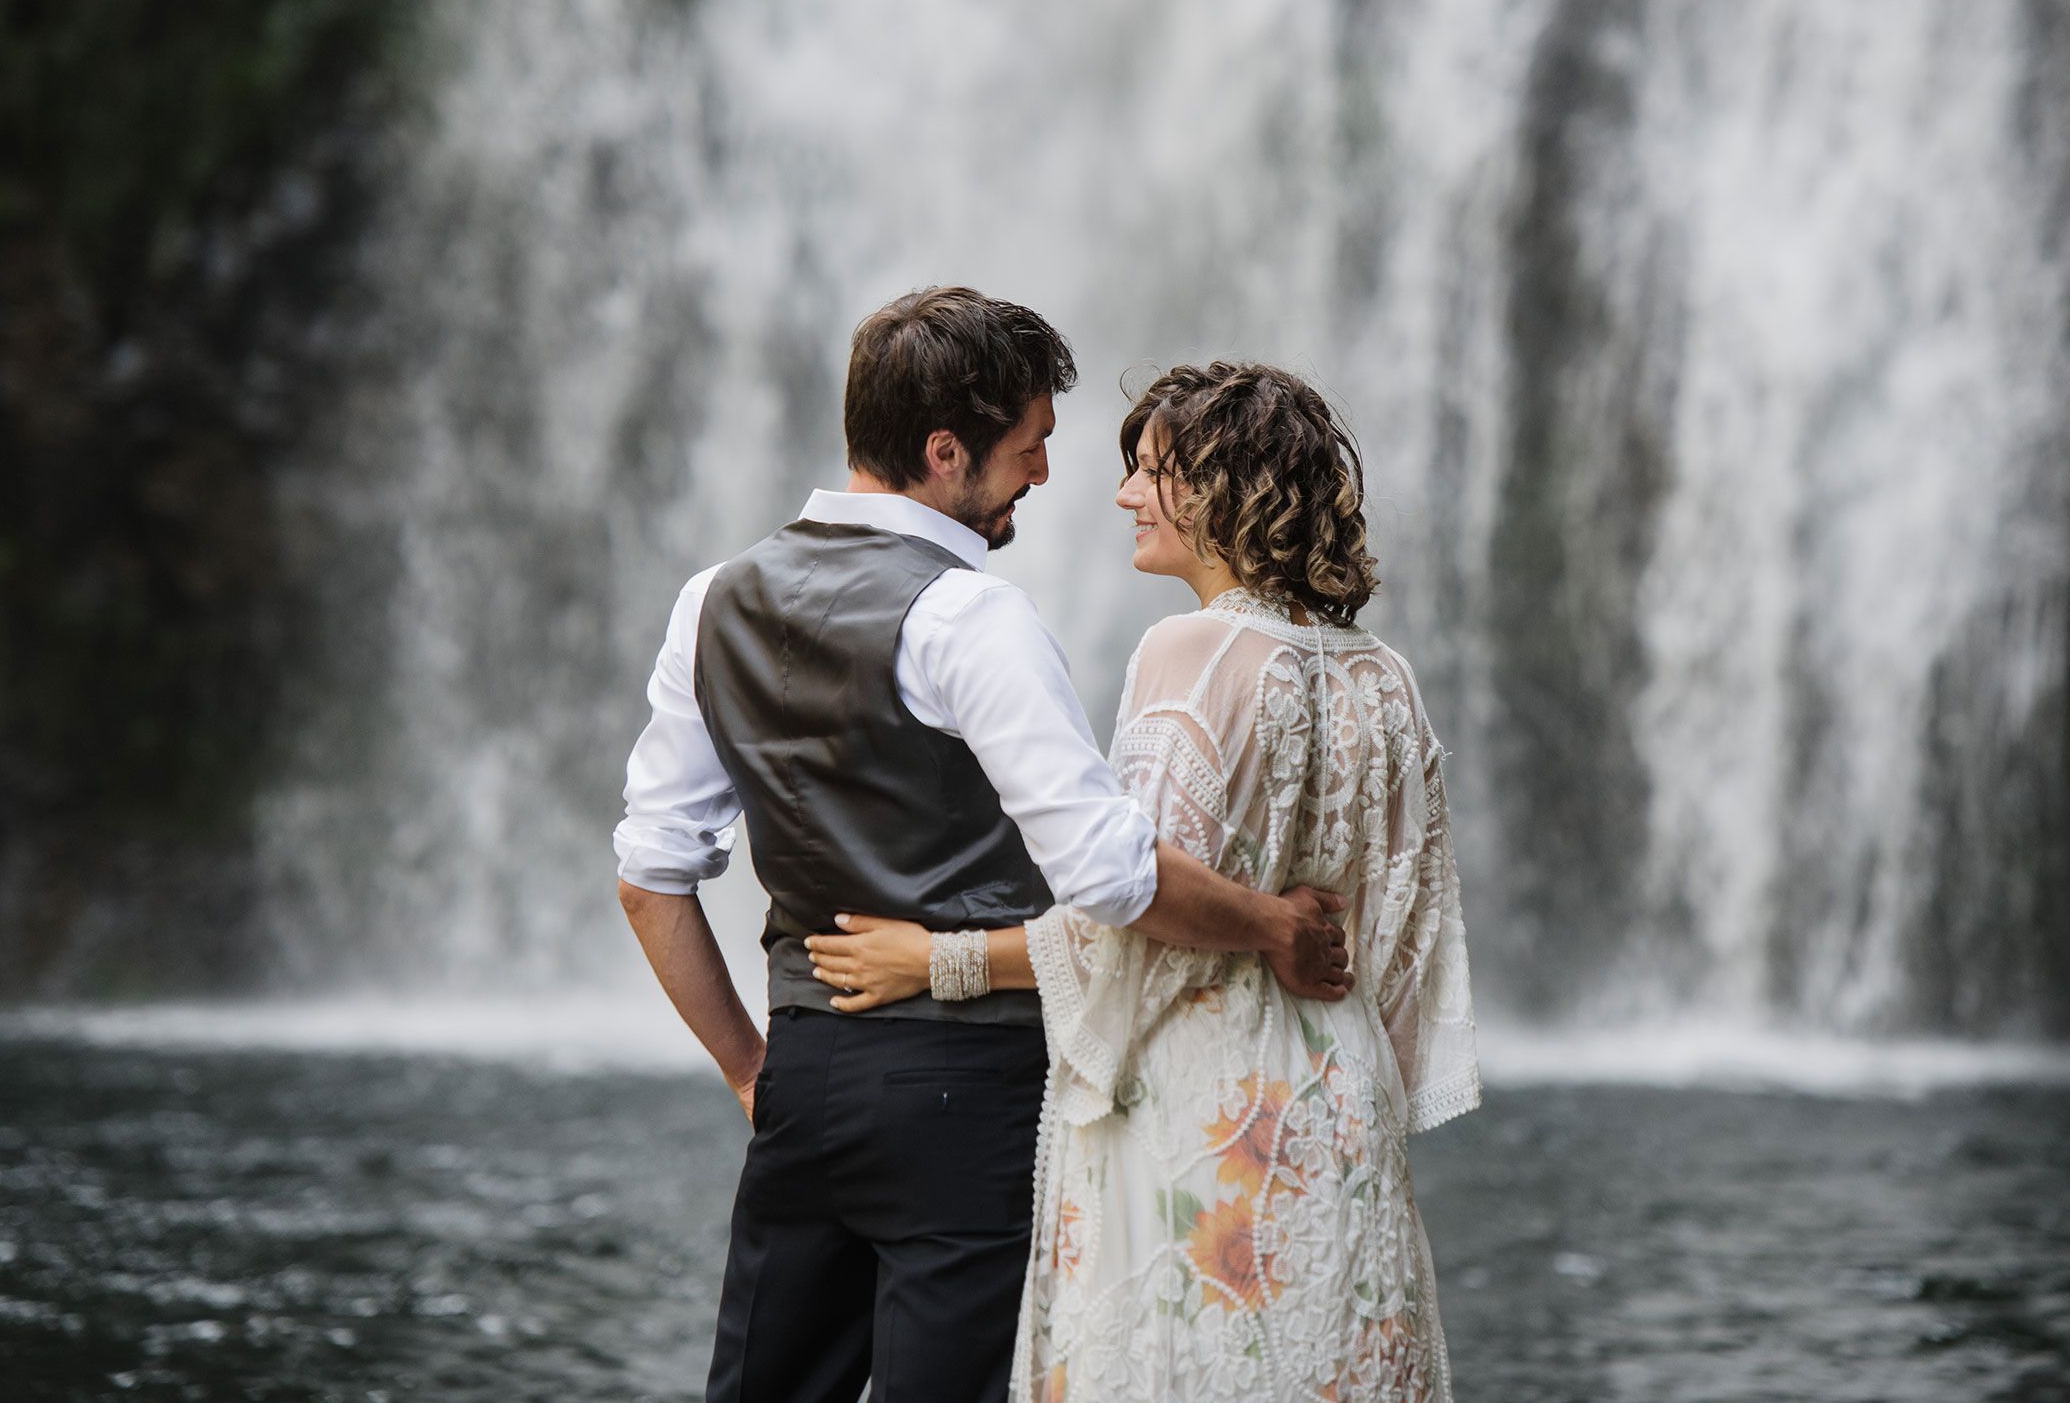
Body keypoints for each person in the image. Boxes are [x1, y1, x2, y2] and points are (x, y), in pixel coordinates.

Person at [611, 291, 1354, 1403]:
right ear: (942, 449)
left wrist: (751, 1068)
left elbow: (649, 876)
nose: (1045, 476)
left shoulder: (708, 597)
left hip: (804, 1077)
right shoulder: (969, 616)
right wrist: (1272, 923)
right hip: (972, 1091)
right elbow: (1107, 872)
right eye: (1030, 447)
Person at [810, 360, 1480, 1402]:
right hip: (1337, 1101)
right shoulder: (1384, 678)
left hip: (1203, 1111)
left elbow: (1125, 912)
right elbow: (1398, 940)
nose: (1125, 494)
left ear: (1227, 488)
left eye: (1153, 472)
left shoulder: (1191, 651)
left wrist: (936, 960)